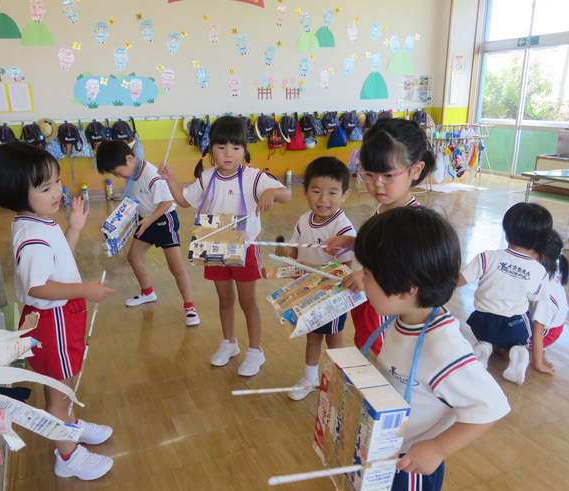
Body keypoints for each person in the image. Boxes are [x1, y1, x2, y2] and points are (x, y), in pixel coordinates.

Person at [354, 206, 510, 491]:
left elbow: (493, 406)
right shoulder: (408, 314)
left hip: (412, 465)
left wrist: (438, 448)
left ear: (407, 288)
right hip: (388, 449)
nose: (362, 278)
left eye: (368, 273)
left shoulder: (442, 349)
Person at [0, 142, 116, 481]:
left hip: (62, 312)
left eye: (57, 181)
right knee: (59, 390)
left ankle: (69, 423)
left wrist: (73, 227)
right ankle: (68, 456)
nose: (57, 191)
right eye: (45, 188)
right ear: (17, 193)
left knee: (62, 384)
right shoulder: (32, 236)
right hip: (53, 317)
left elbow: (58, 264)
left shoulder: (40, 221)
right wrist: (85, 290)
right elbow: (38, 287)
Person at [160, 115, 291, 376]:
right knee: (225, 299)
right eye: (221, 147)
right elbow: (185, 201)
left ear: (244, 150)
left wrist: (269, 192)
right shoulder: (207, 177)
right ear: (211, 150)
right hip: (215, 244)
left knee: (247, 301)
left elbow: (285, 194)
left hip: (245, 247)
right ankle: (229, 342)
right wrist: (171, 179)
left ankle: (255, 351)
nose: (228, 154)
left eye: (235, 147)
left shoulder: (254, 177)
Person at [332, 118, 436, 358]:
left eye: (388, 176)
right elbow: (385, 250)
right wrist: (355, 242)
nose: (377, 184)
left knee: (381, 358)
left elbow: (408, 270)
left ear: (415, 170)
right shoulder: (385, 208)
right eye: (369, 174)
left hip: (386, 309)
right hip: (367, 300)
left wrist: (369, 276)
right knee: (365, 348)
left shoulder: (411, 222)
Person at [96, 140, 199, 326]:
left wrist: (149, 220)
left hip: (164, 220)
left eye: (118, 172)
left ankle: (190, 307)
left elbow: (167, 202)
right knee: (133, 257)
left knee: (176, 267)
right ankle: (147, 292)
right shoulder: (132, 174)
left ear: (129, 158)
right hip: (146, 221)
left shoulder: (150, 174)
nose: (118, 176)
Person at [284, 156, 356, 400]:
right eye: (316, 191)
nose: (323, 199)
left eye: (332, 193)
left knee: (334, 339)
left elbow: (345, 268)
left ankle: (342, 379)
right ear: (305, 191)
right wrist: (290, 259)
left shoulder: (343, 229)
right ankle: (309, 377)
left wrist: (308, 267)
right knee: (313, 336)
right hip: (307, 291)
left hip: (332, 296)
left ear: (345, 195)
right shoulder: (304, 220)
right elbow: (294, 247)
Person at [458, 202, 553, 385]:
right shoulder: (539, 271)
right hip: (513, 328)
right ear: (541, 241)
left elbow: (457, 281)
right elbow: (539, 311)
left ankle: (484, 345)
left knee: (487, 325)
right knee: (523, 318)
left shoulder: (487, 257)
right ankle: (519, 349)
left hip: (481, 322)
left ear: (507, 232)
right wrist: (539, 362)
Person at [529, 229, 569, 376]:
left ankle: (511, 352)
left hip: (547, 333)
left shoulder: (544, 290)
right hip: (551, 328)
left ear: (538, 257)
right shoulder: (547, 274)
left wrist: (538, 363)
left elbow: (538, 329)